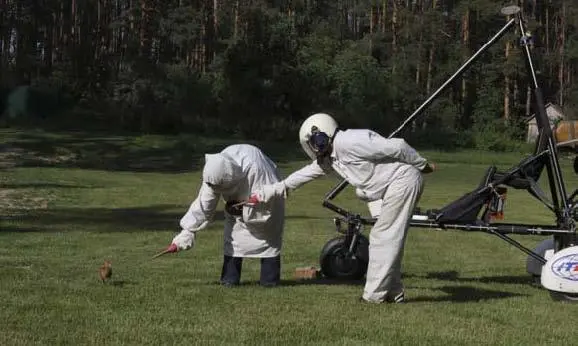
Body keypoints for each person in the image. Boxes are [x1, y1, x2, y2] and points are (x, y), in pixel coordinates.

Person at [248, 113, 435, 303]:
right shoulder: (331, 158)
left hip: (402, 181)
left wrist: (422, 165)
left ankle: (373, 297)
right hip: (388, 188)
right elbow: (298, 178)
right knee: (386, 239)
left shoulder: (350, 141)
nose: (315, 147)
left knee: (383, 237)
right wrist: (263, 194)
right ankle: (394, 293)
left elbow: (398, 146)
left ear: (321, 135)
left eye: (315, 142)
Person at [160, 144, 286, 287]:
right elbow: (204, 203)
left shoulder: (258, 169)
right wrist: (188, 231)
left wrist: (243, 209)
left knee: (268, 239)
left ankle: (269, 281)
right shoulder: (215, 171)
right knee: (233, 240)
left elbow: (268, 200)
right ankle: (229, 280)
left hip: (265, 210)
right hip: (236, 209)